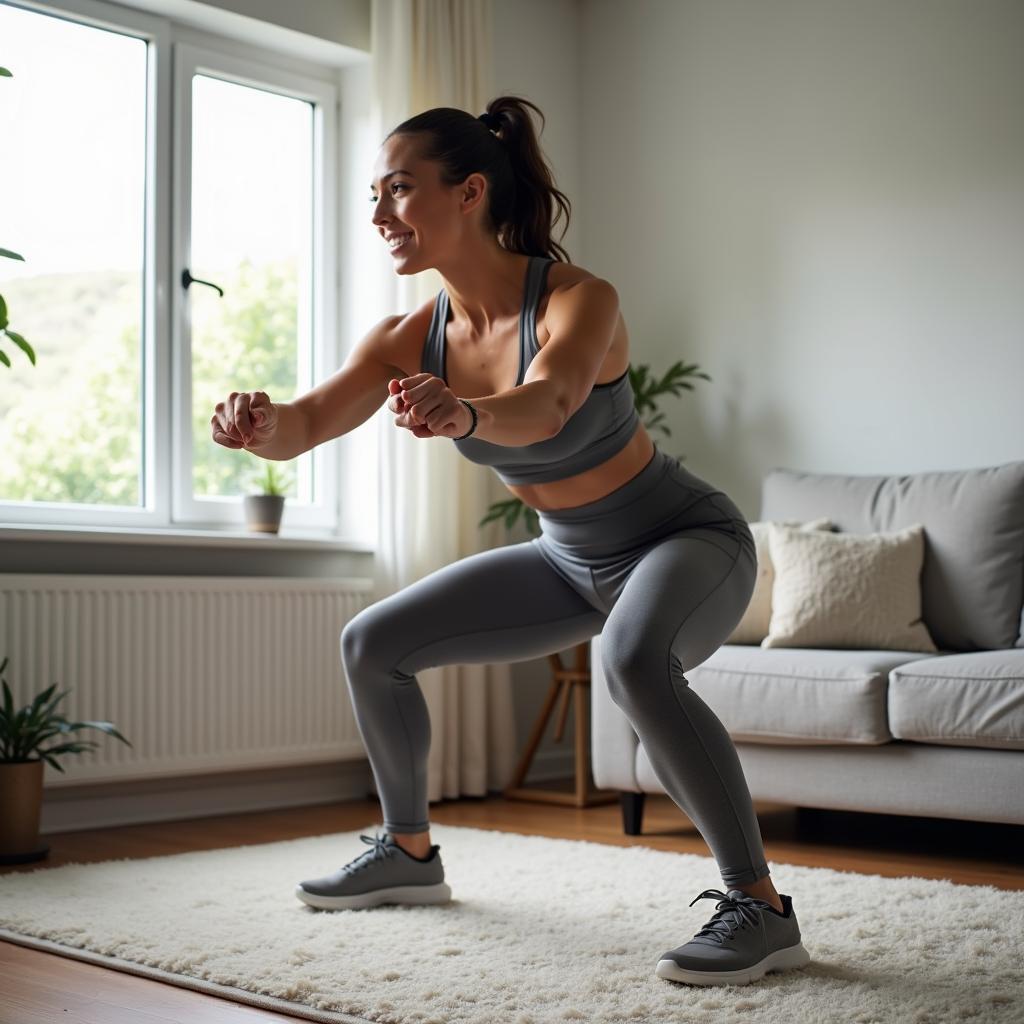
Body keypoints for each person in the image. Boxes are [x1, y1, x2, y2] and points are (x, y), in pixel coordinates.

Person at [211, 96, 810, 987]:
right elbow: (305, 423)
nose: (379, 214)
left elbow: (553, 400)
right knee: (374, 642)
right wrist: (256, 424)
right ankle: (408, 854)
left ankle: (759, 907)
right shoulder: (408, 337)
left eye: (399, 190)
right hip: (567, 557)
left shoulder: (578, 298)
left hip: (681, 537)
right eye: (374, 195)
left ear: (470, 192)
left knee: (634, 659)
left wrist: (468, 412)